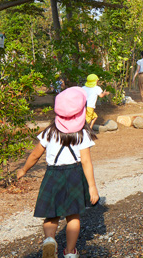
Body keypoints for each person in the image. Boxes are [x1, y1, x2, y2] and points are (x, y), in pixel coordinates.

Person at [17, 87, 99, 258]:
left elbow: (35, 155)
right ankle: (70, 252)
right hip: (75, 176)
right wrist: (92, 187)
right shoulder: (82, 134)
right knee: (73, 216)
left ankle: (49, 240)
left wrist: (24, 169)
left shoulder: (49, 132)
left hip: (53, 175)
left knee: (51, 215)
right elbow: (86, 162)